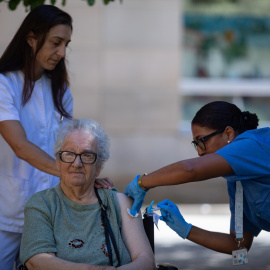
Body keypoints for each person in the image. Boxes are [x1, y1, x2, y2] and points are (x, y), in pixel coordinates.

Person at [0, 5, 110, 269]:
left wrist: (87, 175)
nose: (61, 53)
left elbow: (73, 146)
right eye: (55, 43)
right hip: (5, 210)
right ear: (31, 39)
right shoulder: (4, 84)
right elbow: (20, 146)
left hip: (50, 210)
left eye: (66, 44)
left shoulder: (59, 88)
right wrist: (71, 172)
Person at [124, 100, 270, 255]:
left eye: (202, 141)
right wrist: (186, 229)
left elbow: (190, 170)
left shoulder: (251, 145)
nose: (199, 152)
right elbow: (239, 246)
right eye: (196, 144)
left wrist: (142, 183)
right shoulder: (237, 184)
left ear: (228, 133)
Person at [19, 119, 155, 270]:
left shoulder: (121, 203)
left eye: (87, 156)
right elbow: (38, 261)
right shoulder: (41, 204)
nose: (77, 164)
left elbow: (146, 261)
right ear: (58, 161)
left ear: (99, 167)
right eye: (69, 154)